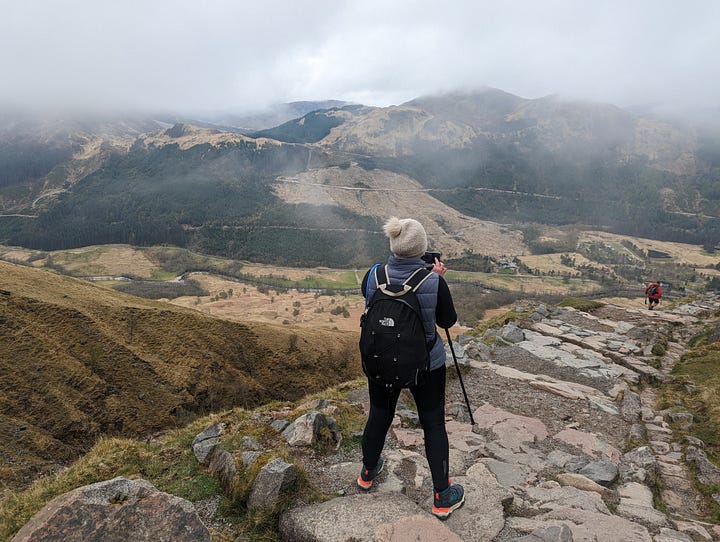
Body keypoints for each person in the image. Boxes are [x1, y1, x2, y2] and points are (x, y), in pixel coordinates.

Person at [357, 216, 465, 520]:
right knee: (432, 424)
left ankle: (367, 471)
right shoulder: (432, 280)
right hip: (426, 365)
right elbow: (446, 321)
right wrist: (437, 278)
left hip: (380, 360)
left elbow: (369, 299)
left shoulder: (373, 275)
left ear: (393, 245)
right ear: (422, 248)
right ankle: (442, 496)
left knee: (379, 414)